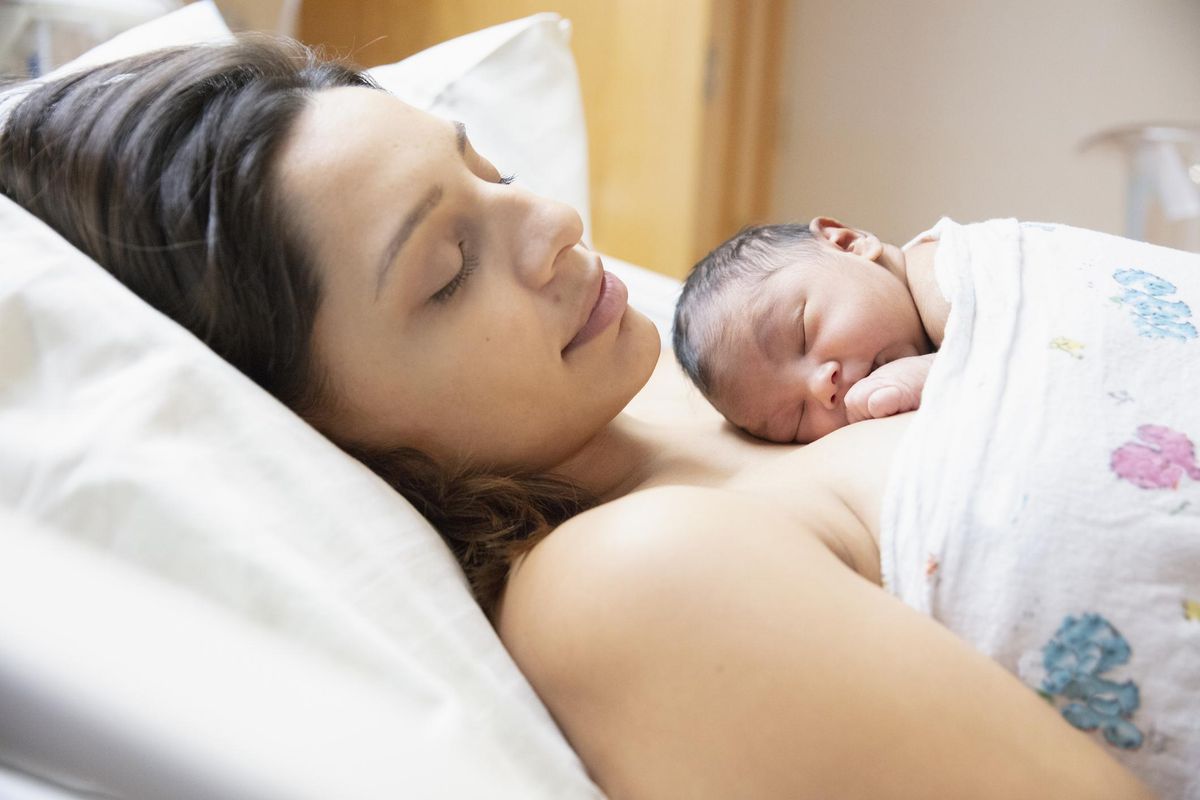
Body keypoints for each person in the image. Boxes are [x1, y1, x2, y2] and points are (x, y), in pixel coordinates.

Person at [0, 39, 1160, 799]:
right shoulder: (627, 584)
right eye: (449, 268)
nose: (551, 219)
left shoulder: (684, 377)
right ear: (326, 429)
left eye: (486, 166)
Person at [672, 219, 947, 443]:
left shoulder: (941, 272)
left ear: (847, 243)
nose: (820, 387)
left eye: (803, 335)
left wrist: (936, 369)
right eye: (795, 418)